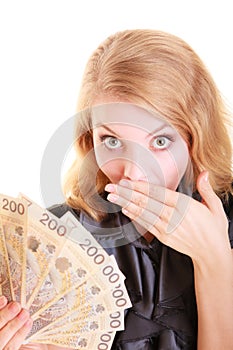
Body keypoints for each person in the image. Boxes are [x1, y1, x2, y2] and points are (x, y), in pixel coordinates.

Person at [0, 29, 233, 350]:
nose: (134, 173)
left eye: (160, 142)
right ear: (89, 139)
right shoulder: (53, 242)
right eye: (112, 141)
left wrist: (215, 261)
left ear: (195, 139)